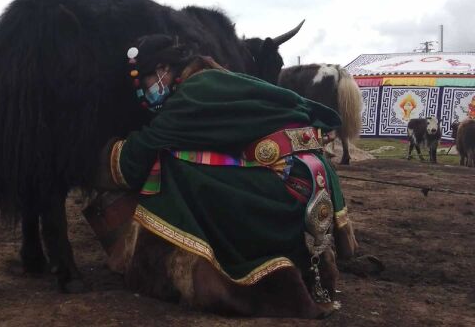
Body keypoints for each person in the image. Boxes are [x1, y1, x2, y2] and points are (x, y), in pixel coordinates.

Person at [90, 34, 358, 318]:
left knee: (172, 170)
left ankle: (230, 271)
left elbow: (137, 156)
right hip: (312, 177)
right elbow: (308, 107)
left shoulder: (190, 96)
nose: (143, 95)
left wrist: (91, 159)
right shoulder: (215, 77)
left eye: (143, 84)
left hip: (289, 186)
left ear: (162, 70)